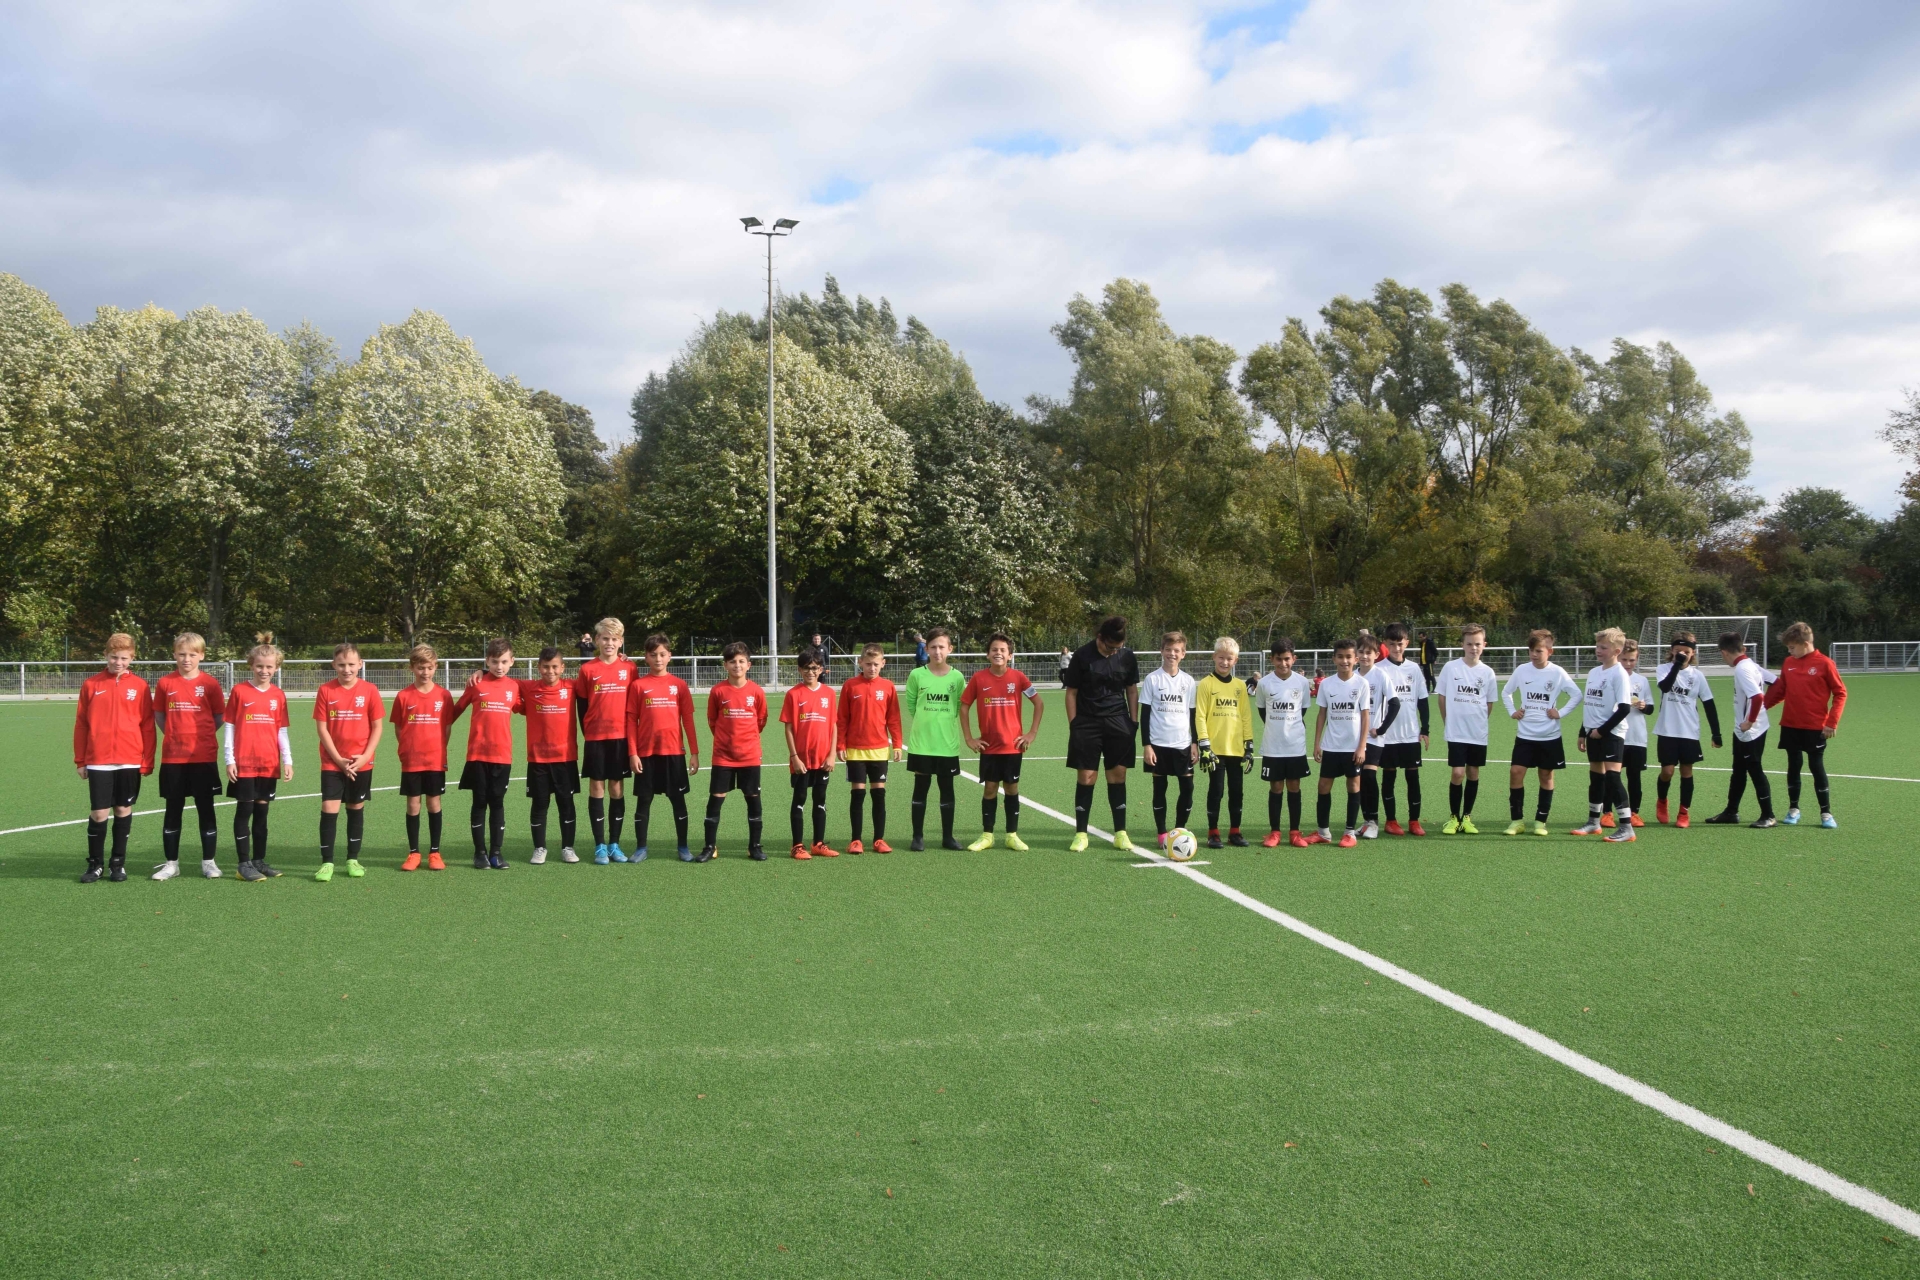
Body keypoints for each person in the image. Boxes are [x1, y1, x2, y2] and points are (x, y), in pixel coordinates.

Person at [73, 632, 156, 883]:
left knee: (122, 809)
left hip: (129, 759)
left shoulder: (140, 686)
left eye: (123, 658)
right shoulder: (91, 685)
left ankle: (117, 863)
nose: (118, 662)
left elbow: (147, 726)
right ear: (105, 655)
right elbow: (82, 724)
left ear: (132, 658)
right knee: (99, 813)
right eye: (113, 657)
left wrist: (147, 760)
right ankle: (95, 864)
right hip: (98, 760)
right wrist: (81, 760)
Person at [1063, 615, 1141, 852]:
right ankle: (1081, 834)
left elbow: (1132, 691)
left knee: (1118, 776)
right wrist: (1074, 724)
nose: (1114, 651)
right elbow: (1071, 693)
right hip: (1087, 723)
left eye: (1118, 647)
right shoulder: (1082, 655)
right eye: (1110, 647)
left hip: (1119, 722)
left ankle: (1120, 833)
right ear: (1100, 638)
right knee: (1087, 777)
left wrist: (1133, 722)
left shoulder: (1127, 657)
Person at [152, 632, 225, 879]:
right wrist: (174, 735)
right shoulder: (165, 683)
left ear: (201, 656)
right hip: (173, 757)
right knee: (173, 809)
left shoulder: (210, 684)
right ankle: (171, 864)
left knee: (206, 809)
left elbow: (219, 716)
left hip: (203, 757)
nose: (186, 659)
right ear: (174, 654)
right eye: (182, 654)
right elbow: (159, 715)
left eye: (192, 654)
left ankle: (209, 862)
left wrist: (201, 735)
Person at [312, 642, 385, 881]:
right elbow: (322, 729)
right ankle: (327, 863)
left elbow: (377, 727)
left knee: (355, 807)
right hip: (333, 762)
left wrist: (365, 757)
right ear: (334, 665)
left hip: (360, 762)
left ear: (360, 664)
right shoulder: (326, 690)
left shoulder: (370, 690)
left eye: (351, 664)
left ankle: (353, 859)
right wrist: (338, 759)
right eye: (342, 664)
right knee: (329, 808)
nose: (347, 669)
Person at [962, 633, 1042, 851]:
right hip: (989, 747)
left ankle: (1011, 835)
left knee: (1011, 788)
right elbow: (964, 706)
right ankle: (987, 835)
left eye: (1003, 650)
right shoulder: (978, 678)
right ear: (988, 655)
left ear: (1010, 655)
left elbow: (1038, 703)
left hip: (1012, 746)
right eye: (994, 650)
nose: (998, 653)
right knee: (990, 789)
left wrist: (1031, 733)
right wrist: (969, 738)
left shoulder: (1019, 678)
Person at [1764, 621, 1847, 828]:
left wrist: (1832, 722)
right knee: (1793, 766)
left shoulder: (1825, 663)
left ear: (1805, 644)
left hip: (1815, 727)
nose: (1789, 651)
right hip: (1790, 725)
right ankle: (1793, 809)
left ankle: (1826, 813)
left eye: (1792, 647)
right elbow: (1781, 691)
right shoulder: (1788, 663)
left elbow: (1840, 693)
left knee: (1816, 767)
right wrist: (1760, 708)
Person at [627, 633, 700, 862]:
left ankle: (683, 847)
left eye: (662, 654)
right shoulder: (638, 686)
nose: (658, 659)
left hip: (673, 753)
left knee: (678, 801)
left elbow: (688, 721)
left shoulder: (679, 685)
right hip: (646, 754)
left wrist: (694, 753)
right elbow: (631, 721)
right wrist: (633, 753)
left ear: (669, 656)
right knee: (643, 801)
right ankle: (641, 848)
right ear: (646, 657)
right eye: (653, 655)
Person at [224, 643, 292, 881]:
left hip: (268, 763)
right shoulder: (239, 691)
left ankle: (259, 861)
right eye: (260, 666)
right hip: (244, 762)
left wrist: (287, 760)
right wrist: (229, 759)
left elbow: (281, 730)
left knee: (262, 814)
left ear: (276, 667)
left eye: (269, 667)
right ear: (251, 665)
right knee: (245, 811)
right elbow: (230, 726)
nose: (264, 671)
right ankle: (243, 864)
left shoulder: (278, 695)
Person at [1501, 629, 1580, 836]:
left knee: (1546, 775)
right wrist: (1512, 711)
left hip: (1549, 736)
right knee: (1516, 772)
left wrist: (1560, 713)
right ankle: (1517, 821)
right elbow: (1506, 692)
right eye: (1531, 651)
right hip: (1525, 735)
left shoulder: (1557, 673)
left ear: (1550, 652)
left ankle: (1540, 822)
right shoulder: (1522, 670)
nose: (1534, 655)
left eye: (1538, 651)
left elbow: (1576, 695)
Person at [451, 638, 522, 868]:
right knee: (480, 802)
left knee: (497, 803)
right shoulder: (477, 684)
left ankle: (496, 853)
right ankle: (479, 853)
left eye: (504, 662)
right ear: (487, 661)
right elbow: (455, 711)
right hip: (478, 756)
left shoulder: (514, 686)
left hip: (503, 756)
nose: (499, 666)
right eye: (494, 662)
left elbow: (527, 706)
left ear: (512, 661)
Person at [576, 617, 638, 862]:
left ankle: (614, 843)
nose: (609, 643)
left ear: (620, 642)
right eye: (605, 638)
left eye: (614, 639)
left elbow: (635, 705)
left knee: (616, 788)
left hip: (621, 737)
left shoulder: (630, 668)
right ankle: (599, 845)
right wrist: (588, 733)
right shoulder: (587, 669)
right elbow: (582, 705)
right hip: (596, 738)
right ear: (597, 640)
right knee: (596, 787)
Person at [904, 627, 967, 850]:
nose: (937, 651)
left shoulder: (957, 677)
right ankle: (917, 837)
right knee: (920, 789)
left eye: (941, 647)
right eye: (933, 647)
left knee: (947, 790)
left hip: (947, 745)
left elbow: (958, 706)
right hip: (922, 744)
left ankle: (948, 837)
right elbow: (912, 705)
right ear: (926, 649)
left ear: (950, 649)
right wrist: (927, 722)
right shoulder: (917, 675)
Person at [704, 641, 768, 860]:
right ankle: (710, 847)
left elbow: (761, 720)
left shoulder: (756, 691)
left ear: (748, 665)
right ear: (725, 665)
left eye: (741, 661)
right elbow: (712, 721)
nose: (737, 665)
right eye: (732, 661)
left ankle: (755, 846)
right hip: (723, 756)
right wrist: (726, 740)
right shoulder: (718, 691)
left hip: (749, 755)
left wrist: (746, 740)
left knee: (753, 798)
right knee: (716, 798)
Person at [1705, 632, 1776, 828]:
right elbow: (1776, 682)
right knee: (1738, 771)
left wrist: (1750, 720)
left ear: (1724, 653)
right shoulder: (1752, 665)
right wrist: (1762, 711)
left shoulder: (1742, 669)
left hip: (1750, 732)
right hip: (1744, 730)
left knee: (1754, 769)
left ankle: (1768, 815)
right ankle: (1731, 811)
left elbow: (1757, 697)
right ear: (1742, 648)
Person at [1571, 627, 1636, 842]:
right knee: (1596, 778)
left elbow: (1624, 708)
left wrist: (1602, 731)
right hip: (1593, 734)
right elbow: (1590, 705)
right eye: (1597, 646)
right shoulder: (1594, 672)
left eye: (1604, 647)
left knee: (1613, 778)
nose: (1598, 650)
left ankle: (1626, 828)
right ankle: (1593, 822)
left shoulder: (1619, 674)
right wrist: (1583, 732)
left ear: (1617, 651)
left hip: (1611, 734)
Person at [391, 644, 452, 870]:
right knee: (413, 804)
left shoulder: (444, 695)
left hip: (435, 759)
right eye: (420, 668)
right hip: (412, 760)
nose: (425, 672)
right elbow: (399, 727)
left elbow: (447, 727)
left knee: (433, 802)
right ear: (412, 668)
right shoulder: (403, 696)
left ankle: (435, 852)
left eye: (429, 667)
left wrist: (438, 748)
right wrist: (408, 748)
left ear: (435, 667)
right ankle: (414, 853)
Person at [838, 643, 902, 854]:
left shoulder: (888, 686)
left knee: (878, 795)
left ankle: (879, 840)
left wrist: (897, 744)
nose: (872, 668)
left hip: (879, 750)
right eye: (868, 664)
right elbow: (842, 719)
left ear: (883, 663)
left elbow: (894, 719)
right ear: (860, 663)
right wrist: (840, 744)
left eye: (875, 664)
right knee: (857, 795)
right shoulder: (850, 686)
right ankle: (856, 840)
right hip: (855, 750)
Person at [1653, 631, 1721, 828]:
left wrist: (1716, 733)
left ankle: (1684, 812)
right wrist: (1676, 665)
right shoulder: (1663, 669)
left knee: (1686, 771)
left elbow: (1709, 704)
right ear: (1671, 651)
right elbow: (1665, 687)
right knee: (1667, 772)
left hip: (1689, 731)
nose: (1682, 655)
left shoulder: (1697, 676)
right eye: (1678, 651)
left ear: (1693, 653)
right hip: (1667, 730)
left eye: (1686, 652)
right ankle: (1662, 801)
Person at [1435, 624, 1499, 834]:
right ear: (1462, 645)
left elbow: (1489, 703)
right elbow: (1442, 698)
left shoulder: (1488, 672)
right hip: (1456, 731)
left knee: (1473, 772)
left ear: (1484, 645)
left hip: (1477, 732)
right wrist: (1448, 721)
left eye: (1477, 644)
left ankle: (1467, 817)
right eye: (1469, 644)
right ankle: (1454, 817)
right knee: (1458, 773)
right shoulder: (1451, 668)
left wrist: (1479, 721)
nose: (1474, 648)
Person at [520, 647, 581, 865]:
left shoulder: (572, 686)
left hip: (565, 758)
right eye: (546, 667)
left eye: (555, 666)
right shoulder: (528, 687)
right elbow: (502, 681)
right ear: (539, 667)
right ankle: (539, 848)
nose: (550, 671)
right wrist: (482, 671)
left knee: (566, 804)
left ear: (562, 667)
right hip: (538, 759)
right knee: (540, 805)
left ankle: (568, 847)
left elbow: (597, 681)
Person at [1140, 631, 1199, 851]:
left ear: (1183, 654)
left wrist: (1194, 743)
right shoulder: (1152, 679)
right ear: (1161, 651)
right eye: (1168, 650)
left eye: (1176, 650)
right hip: (1158, 744)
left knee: (1187, 788)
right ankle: (1162, 832)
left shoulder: (1188, 681)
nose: (1172, 654)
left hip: (1182, 743)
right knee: (1159, 789)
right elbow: (1145, 715)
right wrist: (1147, 745)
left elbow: (1192, 713)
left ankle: (1180, 831)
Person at [1311, 639, 1372, 847]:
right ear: (1334, 659)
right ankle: (1323, 832)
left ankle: (1349, 833)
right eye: (1340, 656)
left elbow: (1365, 716)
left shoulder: (1362, 684)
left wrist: (1362, 746)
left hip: (1352, 747)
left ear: (1356, 659)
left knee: (1353, 785)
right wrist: (1317, 743)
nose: (1344, 661)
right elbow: (1321, 714)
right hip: (1331, 746)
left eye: (1348, 657)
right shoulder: (1326, 684)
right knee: (1323, 786)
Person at [1194, 637, 1254, 849]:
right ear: (1214, 657)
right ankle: (1213, 832)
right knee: (1216, 790)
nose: (1225, 662)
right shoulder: (1206, 684)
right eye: (1221, 657)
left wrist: (1249, 744)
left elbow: (1245, 716)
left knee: (1237, 791)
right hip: (1215, 750)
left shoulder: (1239, 686)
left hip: (1236, 749)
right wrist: (1204, 745)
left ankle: (1235, 832)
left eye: (1229, 658)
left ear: (1235, 660)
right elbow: (1200, 716)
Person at [1254, 640, 1312, 848]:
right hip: (1273, 745)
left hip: (1295, 745)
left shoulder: (1302, 683)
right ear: (1272, 659)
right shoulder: (1264, 683)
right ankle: (1275, 832)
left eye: (1287, 659)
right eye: (1278, 659)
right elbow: (1262, 711)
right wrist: (1276, 727)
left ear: (1293, 659)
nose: (1283, 663)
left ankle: (1295, 832)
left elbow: (1303, 710)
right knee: (1276, 787)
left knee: (1294, 786)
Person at [782, 646, 838, 858]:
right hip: (802, 760)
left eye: (814, 668)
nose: (810, 672)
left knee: (820, 799)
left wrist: (832, 755)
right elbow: (788, 728)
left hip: (823, 759)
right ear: (799, 669)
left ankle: (818, 843)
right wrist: (794, 757)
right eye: (806, 668)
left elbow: (833, 725)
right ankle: (797, 845)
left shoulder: (829, 694)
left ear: (821, 669)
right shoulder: (793, 694)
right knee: (800, 798)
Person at [1375, 623, 1431, 836]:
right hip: (1387, 735)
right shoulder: (1379, 669)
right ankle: (1391, 821)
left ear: (1407, 643)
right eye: (1392, 644)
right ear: (1385, 644)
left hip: (1410, 734)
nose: (1396, 648)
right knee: (1389, 777)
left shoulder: (1414, 669)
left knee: (1412, 778)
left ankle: (1414, 821)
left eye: (1400, 644)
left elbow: (1423, 701)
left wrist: (1425, 729)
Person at [1355, 633, 1393, 838]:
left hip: (1373, 738)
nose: (1364, 656)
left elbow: (1395, 704)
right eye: (1361, 652)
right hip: (1354, 738)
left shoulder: (1381, 676)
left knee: (1369, 776)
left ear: (1376, 655)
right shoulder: (1352, 676)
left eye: (1368, 652)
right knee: (1358, 779)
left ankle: (1374, 823)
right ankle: (1366, 821)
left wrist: (1381, 729)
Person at [1616, 640, 1655, 828]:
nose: (1628, 663)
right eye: (1624, 659)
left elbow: (1651, 708)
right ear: (1618, 657)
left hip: (1637, 737)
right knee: (1612, 776)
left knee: (1634, 777)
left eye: (1632, 660)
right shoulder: (1613, 677)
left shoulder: (1642, 681)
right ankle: (1607, 812)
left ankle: (1634, 813)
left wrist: (1643, 706)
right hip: (1616, 735)